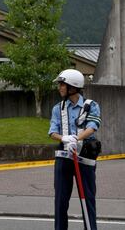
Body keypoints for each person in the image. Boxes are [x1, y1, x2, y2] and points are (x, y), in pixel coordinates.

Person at [49, 69, 101, 230]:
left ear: (73, 86)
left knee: (88, 198)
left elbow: (93, 126)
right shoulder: (58, 108)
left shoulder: (91, 106)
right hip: (64, 158)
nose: (59, 87)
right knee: (60, 200)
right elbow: (52, 132)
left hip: (84, 158)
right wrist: (64, 138)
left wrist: (76, 138)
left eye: (62, 84)